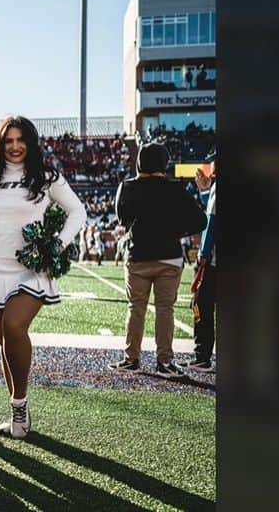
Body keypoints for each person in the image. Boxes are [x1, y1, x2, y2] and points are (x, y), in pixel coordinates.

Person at [0, 116, 86, 439]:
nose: (14, 146)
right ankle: (17, 414)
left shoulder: (46, 177)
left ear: (30, 142)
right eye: (8, 141)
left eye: (20, 140)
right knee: (5, 343)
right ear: (0, 144)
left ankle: (20, 404)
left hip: (32, 269)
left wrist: (57, 244)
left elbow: (78, 211)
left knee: (14, 326)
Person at [109, 142, 207, 379]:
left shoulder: (128, 187)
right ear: (165, 163)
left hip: (138, 255)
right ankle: (165, 361)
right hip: (169, 256)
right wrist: (175, 230)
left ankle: (131, 358)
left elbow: (122, 218)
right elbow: (199, 221)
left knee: (136, 308)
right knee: (165, 309)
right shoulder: (175, 189)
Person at [180, 150, 216, 372]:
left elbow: (212, 222)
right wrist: (205, 191)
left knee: (201, 304)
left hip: (215, 262)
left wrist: (203, 256)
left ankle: (202, 356)